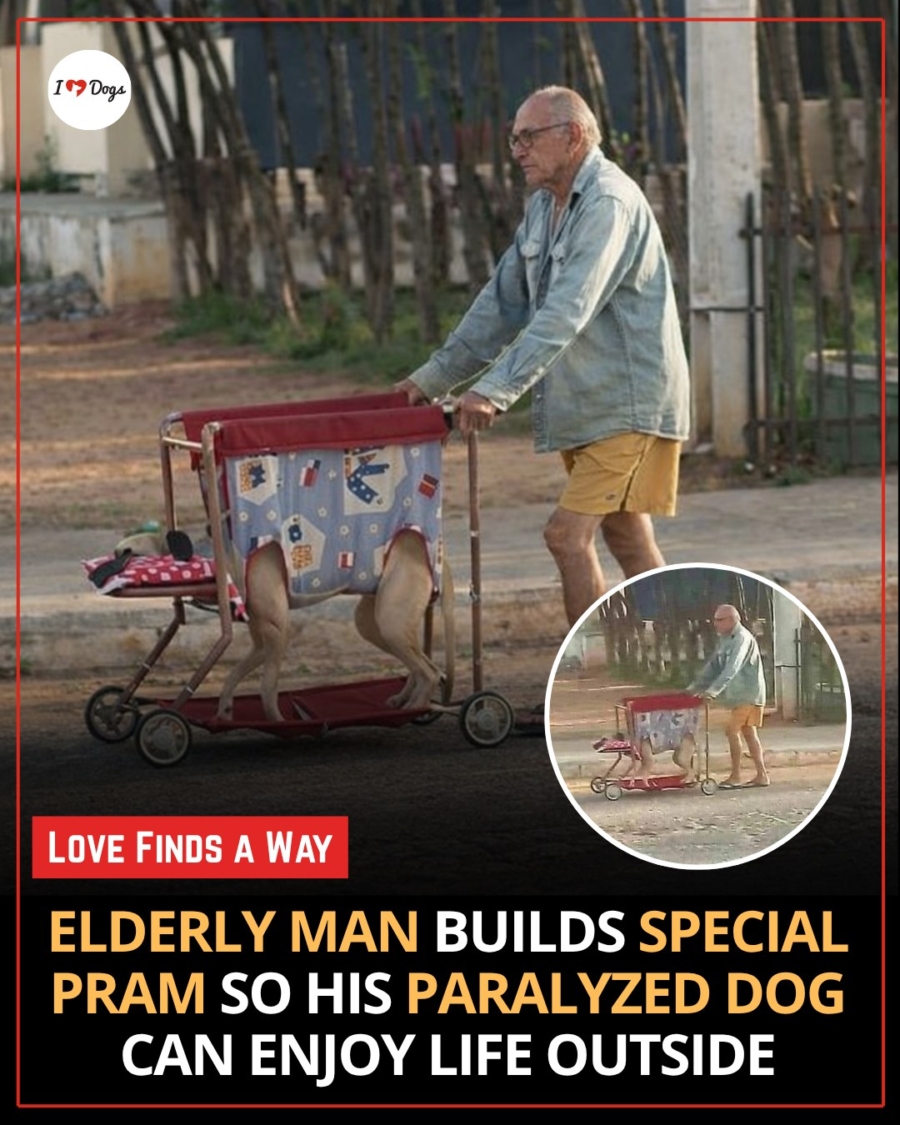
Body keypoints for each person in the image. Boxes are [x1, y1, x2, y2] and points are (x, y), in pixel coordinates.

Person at [396, 85, 690, 628]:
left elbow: (565, 312)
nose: (517, 151)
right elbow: (502, 304)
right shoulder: (544, 207)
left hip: (628, 401)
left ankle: (592, 675)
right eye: (513, 140)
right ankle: (689, 657)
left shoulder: (608, 202)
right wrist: (430, 379)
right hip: (590, 404)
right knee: (627, 536)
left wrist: (494, 390)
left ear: (572, 135)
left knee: (564, 536)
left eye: (528, 137)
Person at [687, 604, 769, 789]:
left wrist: (712, 691)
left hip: (749, 693)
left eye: (719, 620)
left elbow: (732, 668)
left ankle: (736, 776)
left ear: (732, 620)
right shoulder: (725, 639)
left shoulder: (742, 638)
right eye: (715, 620)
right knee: (749, 733)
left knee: (731, 730)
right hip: (738, 695)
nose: (715, 624)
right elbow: (713, 667)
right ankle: (762, 775)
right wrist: (693, 688)